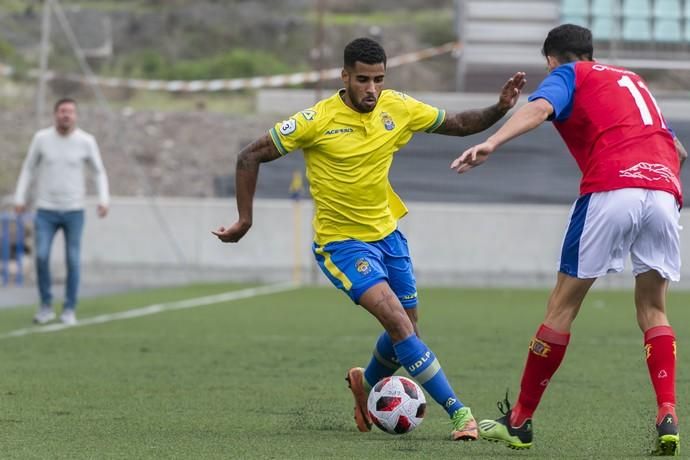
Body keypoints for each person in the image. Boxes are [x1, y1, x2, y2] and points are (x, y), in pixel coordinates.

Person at [213, 37, 526, 440]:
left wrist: (500, 108)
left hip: (389, 235)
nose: (372, 90)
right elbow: (248, 156)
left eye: (379, 79)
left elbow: (459, 124)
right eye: (363, 80)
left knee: (409, 330)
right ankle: (459, 412)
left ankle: (366, 383)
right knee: (399, 324)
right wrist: (244, 220)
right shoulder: (316, 120)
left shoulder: (397, 106)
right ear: (345, 76)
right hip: (342, 245)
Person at [451, 24, 686, 455]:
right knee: (654, 308)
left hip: (612, 187)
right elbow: (679, 150)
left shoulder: (570, 74)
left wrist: (492, 142)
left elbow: (539, 109)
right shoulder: (631, 79)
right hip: (664, 188)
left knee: (563, 306)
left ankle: (519, 421)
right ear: (591, 51)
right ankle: (667, 411)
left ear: (551, 59)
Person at [14, 98, 110, 326]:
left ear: (75, 115)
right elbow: (28, 168)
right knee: (41, 255)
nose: (66, 115)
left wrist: (103, 199)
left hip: (74, 210)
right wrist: (20, 198)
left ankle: (69, 308)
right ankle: (46, 305)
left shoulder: (86, 141)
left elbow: (99, 172)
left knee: (73, 259)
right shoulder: (41, 139)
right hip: (46, 209)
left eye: (70, 112)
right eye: (62, 111)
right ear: (55, 114)